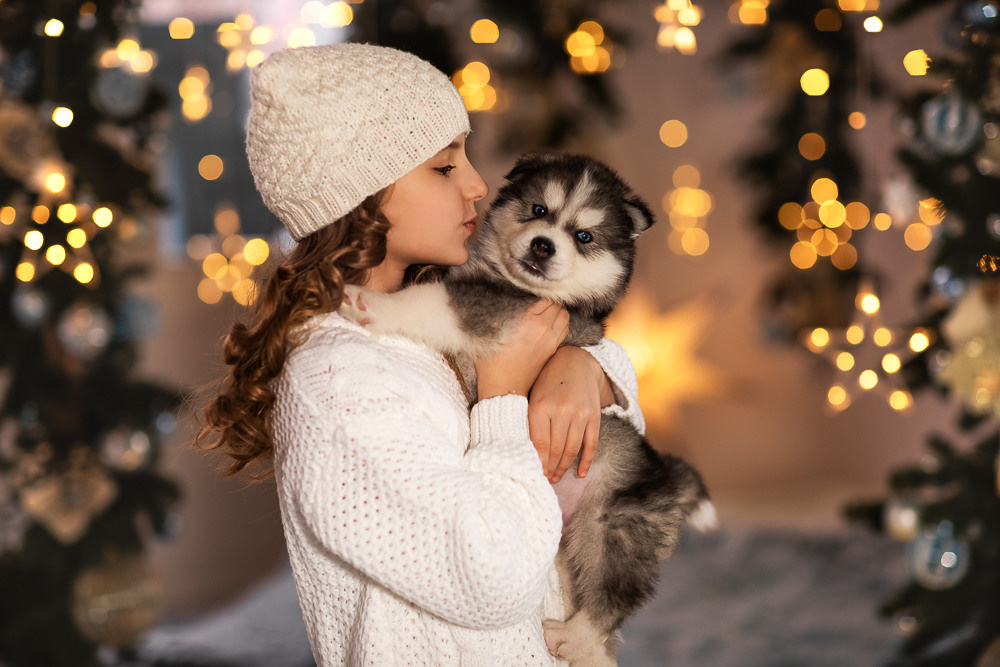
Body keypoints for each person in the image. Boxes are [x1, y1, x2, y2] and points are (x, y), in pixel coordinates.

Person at [197, 43, 645, 666]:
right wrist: (505, 397)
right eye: (443, 167)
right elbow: (492, 581)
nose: (478, 185)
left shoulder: (428, 310)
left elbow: (613, 442)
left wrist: (585, 369)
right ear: (363, 197)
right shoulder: (336, 384)